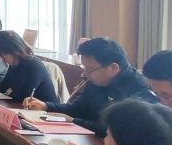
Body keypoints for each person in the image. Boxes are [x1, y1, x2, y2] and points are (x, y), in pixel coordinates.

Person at [25, 37, 156, 135]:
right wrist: (46, 106)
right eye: (84, 68)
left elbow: (114, 131)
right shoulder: (96, 81)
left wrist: (72, 121)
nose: (85, 74)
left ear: (113, 68)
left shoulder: (139, 91)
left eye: (90, 69)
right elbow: (77, 109)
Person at [0, 30, 59, 105]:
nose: (2, 59)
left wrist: (9, 93)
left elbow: (24, 96)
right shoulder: (14, 64)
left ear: (14, 51)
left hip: (46, 110)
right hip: (24, 107)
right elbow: (3, 87)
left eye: (3, 55)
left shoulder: (33, 64)